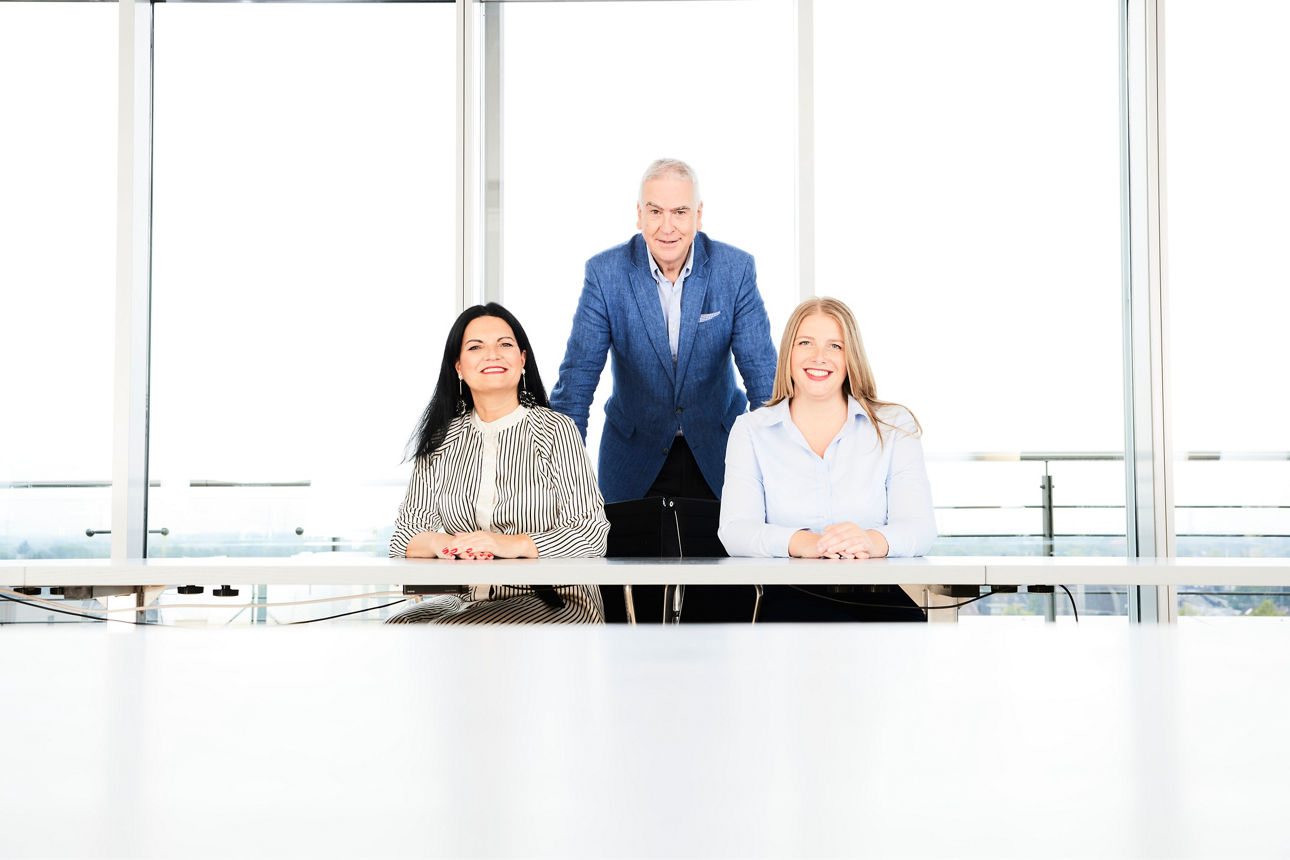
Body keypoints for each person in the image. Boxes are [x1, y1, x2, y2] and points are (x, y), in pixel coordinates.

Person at [549, 158, 777, 504]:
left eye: (679, 212)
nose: (667, 227)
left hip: (720, 455)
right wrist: (560, 481)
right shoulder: (605, 274)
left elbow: (763, 378)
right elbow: (576, 383)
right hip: (632, 459)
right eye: (655, 212)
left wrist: (775, 468)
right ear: (639, 215)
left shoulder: (735, 270)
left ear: (698, 215)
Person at [386, 303, 610, 624]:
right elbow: (404, 537)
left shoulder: (556, 430)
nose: (492, 354)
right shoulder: (440, 441)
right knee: (400, 625)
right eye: (475, 347)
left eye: (504, 344)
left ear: (522, 359)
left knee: (450, 631)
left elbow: (591, 533)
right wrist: (445, 543)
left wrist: (506, 544)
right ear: (459, 367)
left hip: (557, 600)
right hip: (467, 599)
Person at [718, 297, 937, 622]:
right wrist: (805, 542)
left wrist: (870, 541)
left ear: (851, 357)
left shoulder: (893, 426)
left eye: (835, 346)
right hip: (785, 604)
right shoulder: (751, 430)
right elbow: (735, 531)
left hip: (876, 600)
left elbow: (920, 527)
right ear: (788, 353)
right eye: (805, 343)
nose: (819, 356)